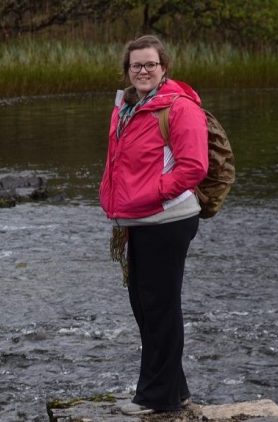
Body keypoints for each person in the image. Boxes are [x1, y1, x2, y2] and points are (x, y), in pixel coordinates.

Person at [99, 35, 209, 416]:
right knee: (146, 307)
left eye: (150, 64)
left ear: (164, 67)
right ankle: (174, 390)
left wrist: (154, 193)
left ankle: (157, 399)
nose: (143, 71)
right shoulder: (125, 107)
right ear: (127, 70)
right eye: (136, 65)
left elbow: (194, 166)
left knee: (160, 307)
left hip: (168, 218)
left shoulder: (179, 107)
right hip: (138, 220)